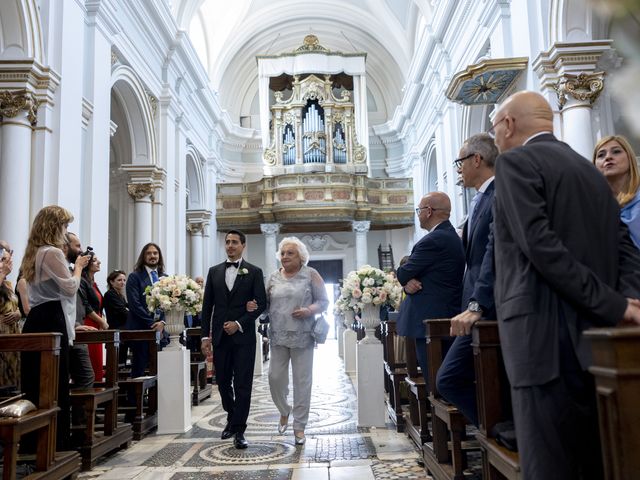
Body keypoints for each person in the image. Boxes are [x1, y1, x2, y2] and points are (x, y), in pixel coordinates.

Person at [489, 90, 640, 479]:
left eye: (494, 130)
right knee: (595, 460)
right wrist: (626, 302)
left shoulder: (515, 164)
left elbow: (540, 246)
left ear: (508, 124)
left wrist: (613, 304)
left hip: (540, 340)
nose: (495, 140)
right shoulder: (589, 171)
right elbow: (625, 247)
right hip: (596, 341)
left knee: (549, 465)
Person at [437, 134, 497, 426]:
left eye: (460, 161)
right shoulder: (479, 199)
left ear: (477, 159)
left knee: (448, 379)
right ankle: (496, 433)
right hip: (474, 308)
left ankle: (496, 433)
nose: (458, 168)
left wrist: (477, 304)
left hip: (487, 309)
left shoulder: (497, 195)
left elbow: (492, 256)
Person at [19, 205, 90, 451]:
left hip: (37, 319)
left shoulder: (34, 251)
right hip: (51, 318)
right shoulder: (52, 252)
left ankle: (34, 444)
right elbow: (70, 288)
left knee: (36, 382)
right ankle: (56, 443)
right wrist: (79, 267)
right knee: (56, 382)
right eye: (65, 226)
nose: (65, 231)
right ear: (54, 226)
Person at [249, 237, 329, 445]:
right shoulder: (274, 277)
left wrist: (309, 310)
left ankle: (299, 426)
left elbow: (323, 301)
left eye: (289, 253)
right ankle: (284, 410)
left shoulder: (311, 274)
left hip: (303, 335)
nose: (284, 256)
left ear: (301, 256)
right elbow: (265, 305)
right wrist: (254, 307)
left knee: (303, 382)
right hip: (278, 335)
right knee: (275, 378)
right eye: (282, 253)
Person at [200, 230, 266, 449]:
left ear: (243, 245)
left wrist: (238, 323)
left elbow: (261, 304)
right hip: (219, 337)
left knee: (243, 384)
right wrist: (204, 336)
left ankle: (239, 429)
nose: (230, 246)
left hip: (243, 337)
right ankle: (231, 415)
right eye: (227, 242)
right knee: (223, 382)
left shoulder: (254, 272)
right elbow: (207, 306)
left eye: (234, 242)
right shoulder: (214, 272)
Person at [396, 192, 465, 382]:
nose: (417, 214)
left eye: (418, 210)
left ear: (428, 211)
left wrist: (406, 277)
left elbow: (403, 273)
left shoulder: (434, 240)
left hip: (432, 322)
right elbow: (410, 276)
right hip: (439, 318)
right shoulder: (448, 235)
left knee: (436, 382)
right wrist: (408, 281)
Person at [125, 243, 166, 378]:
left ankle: (157, 399)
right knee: (139, 369)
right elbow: (134, 304)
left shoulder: (165, 278)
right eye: (149, 253)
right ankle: (135, 399)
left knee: (161, 368)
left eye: (155, 253)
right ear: (143, 256)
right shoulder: (135, 277)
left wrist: (163, 323)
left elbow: (170, 304)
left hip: (161, 330)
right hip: (140, 329)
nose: (152, 256)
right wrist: (152, 323)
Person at [592, 135, 640, 248]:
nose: (608, 157)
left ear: (630, 159)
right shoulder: (592, 207)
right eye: (601, 155)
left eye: (616, 152)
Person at [80, 254, 107, 381]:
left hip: (97, 322)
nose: (99, 262)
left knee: (97, 360)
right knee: (91, 360)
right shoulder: (82, 281)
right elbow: (85, 305)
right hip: (89, 322)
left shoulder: (93, 283)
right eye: (95, 260)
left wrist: (102, 321)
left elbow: (98, 305)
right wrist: (101, 321)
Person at [0, 242, 21, 390]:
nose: (7, 263)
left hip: (13, 334)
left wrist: (18, 313)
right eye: (3, 260)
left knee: (12, 382)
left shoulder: (7, 284)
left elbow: (17, 305)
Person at [103, 270, 129, 364]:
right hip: (115, 332)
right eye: (119, 280)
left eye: (124, 280)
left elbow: (127, 307)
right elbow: (123, 312)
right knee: (116, 363)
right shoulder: (110, 294)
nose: (123, 282)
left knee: (122, 362)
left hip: (123, 332)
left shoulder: (120, 296)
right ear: (111, 282)